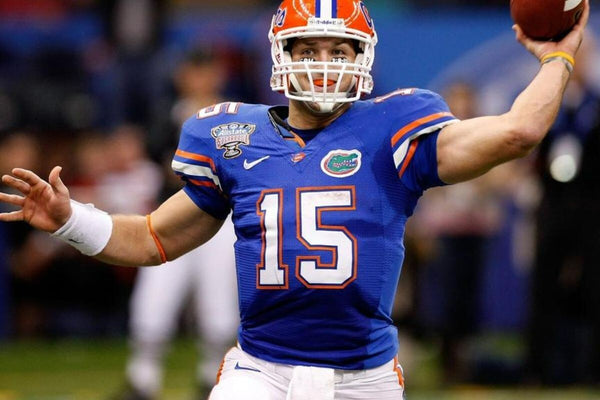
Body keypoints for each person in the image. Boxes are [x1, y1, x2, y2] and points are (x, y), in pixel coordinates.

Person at [0, 0, 590, 398]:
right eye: (310, 49)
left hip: (364, 378)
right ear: (282, 54)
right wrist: (70, 219)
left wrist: (557, 58)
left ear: (362, 58)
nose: (324, 65)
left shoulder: (393, 127)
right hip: (261, 373)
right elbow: (153, 238)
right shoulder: (233, 136)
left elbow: (518, 132)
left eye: (340, 51)